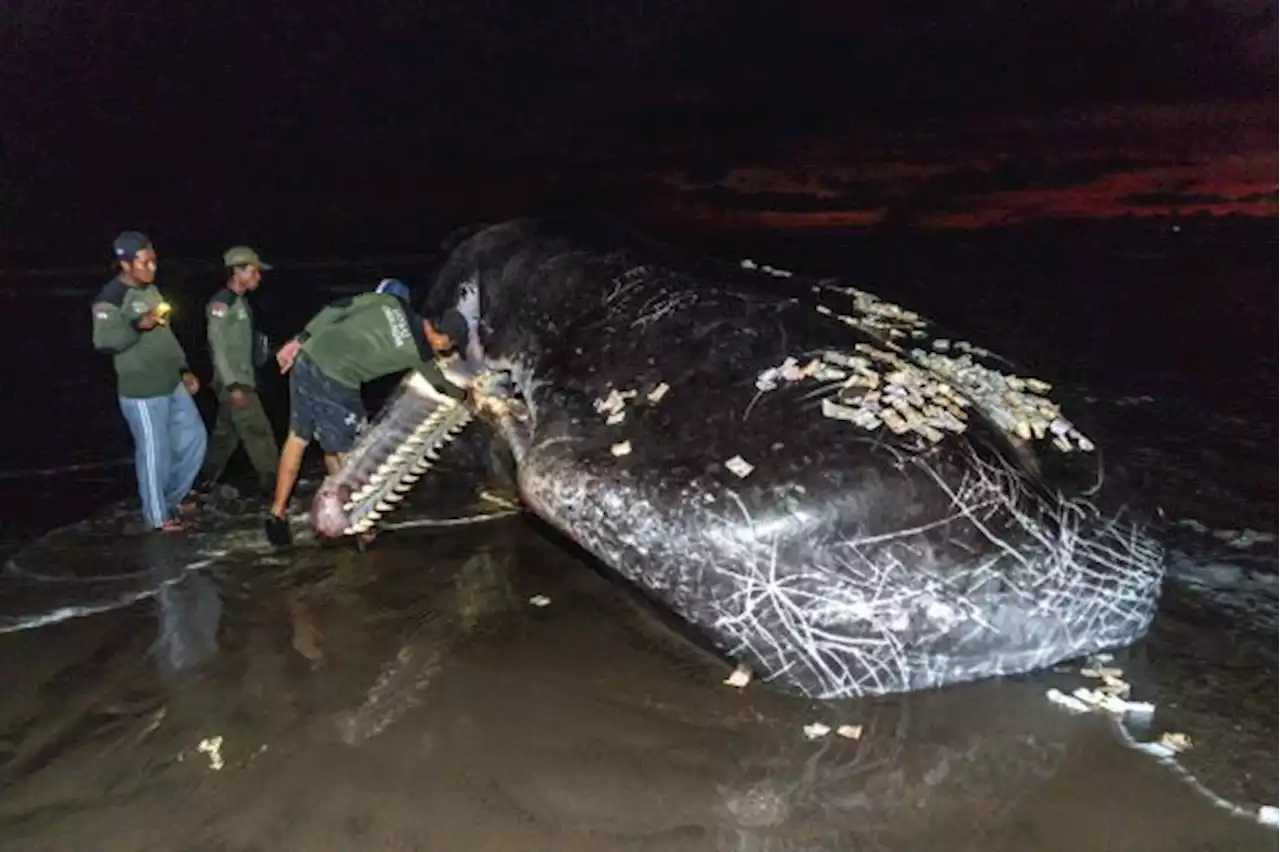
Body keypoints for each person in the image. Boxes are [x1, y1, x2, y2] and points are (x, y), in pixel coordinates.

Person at [264, 280, 466, 546]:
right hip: (336, 379)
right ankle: (354, 523)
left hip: (309, 357)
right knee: (357, 453)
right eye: (448, 346)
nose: (445, 351)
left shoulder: (390, 302)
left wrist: (300, 339)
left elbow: (338, 307)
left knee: (299, 438)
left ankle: (276, 513)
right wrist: (468, 396)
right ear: (442, 337)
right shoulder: (419, 353)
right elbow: (441, 384)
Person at [91, 231, 207, 533]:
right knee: (155, 452)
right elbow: (103, 341)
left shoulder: (150, 290)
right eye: (145, 262)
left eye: (154, 260)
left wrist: (184, 369)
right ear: (126, 264)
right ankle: (156, 518)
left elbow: (165, 336)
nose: (153, 267)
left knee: (195, 439)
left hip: (171, 382)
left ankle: (173, 497)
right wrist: (136, 325)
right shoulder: (110, 298)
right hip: (142, 391)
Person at [196, 246, 281, 497]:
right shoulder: (222, 303)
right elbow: (218, 345)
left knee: (226, 436)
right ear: (238, 271)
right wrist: (232, 384)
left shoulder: (241, 303)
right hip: (234, 381)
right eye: (254, 271)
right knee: (259, 433)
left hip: (242, 378)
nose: (258, 277)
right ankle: (276, 488)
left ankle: (201, 481)